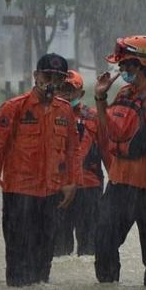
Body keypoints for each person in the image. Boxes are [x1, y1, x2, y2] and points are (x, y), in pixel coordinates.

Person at [0, 53, 80, 287]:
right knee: (17, 259)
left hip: (50, 195)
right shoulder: (13, 108)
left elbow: (72, 150)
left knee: (44, 261)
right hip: (19, 195)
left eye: (58, 78)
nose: (51, 82)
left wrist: (72, 182)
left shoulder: (65, 111)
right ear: (36, 75)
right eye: (47, 75)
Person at [92, 35, 146, 287]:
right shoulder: (123, 93)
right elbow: (106, 131)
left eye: (124, 65)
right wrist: (100, 98)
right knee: (104, 241)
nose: (121, 70)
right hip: (119, 184)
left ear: (138, 65)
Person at [53, 70, 104, 256]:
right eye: (61, 88)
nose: (65, 93)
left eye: (69, 89)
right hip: (58, 188)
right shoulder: (48, 115)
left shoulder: (94, 117)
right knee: (58, 248)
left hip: (89, 188)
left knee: (89, 246)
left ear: (80, 94)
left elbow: (108, 151)